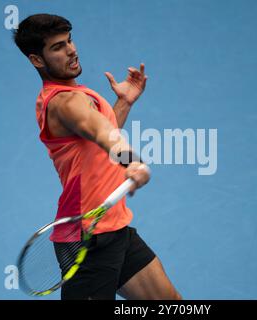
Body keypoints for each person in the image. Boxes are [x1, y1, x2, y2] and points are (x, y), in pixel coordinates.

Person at [13, 13, 181, 300]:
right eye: (57, 47)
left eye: (70, 41)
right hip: (87, 240)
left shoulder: (75, 93)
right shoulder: (65, 103)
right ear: (36, 60)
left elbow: (97, 139)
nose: (71, 50)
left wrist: (124, 102)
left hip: (114, 228)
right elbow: (104, 135)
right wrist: (132, 160)